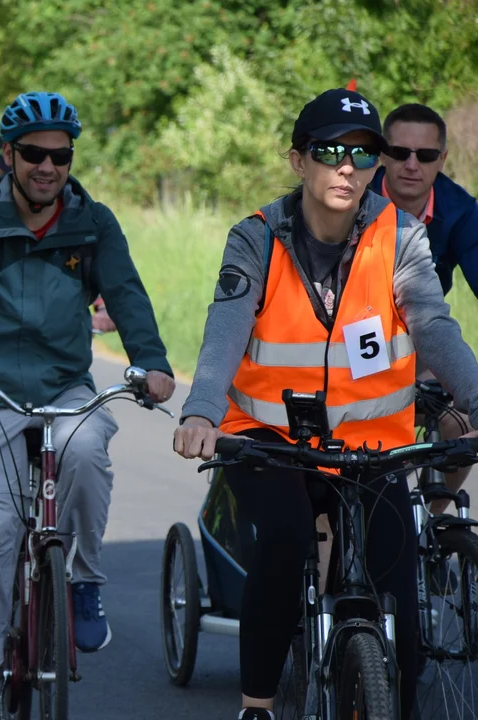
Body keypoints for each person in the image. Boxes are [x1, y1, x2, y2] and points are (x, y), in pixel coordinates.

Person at [172, 88, 478, 720]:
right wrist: (200, 411)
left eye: (365, 154)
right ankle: (257, 705)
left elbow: (433, 325)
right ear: (298, 161)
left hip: (371, 443)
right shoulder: (256, 237)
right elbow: (225, 328)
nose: (348, 166)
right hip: (266, 438)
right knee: (285, 543)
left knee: (399, 583)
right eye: (331, 151)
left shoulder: (398, 235)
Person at [0, 91, 175, 717]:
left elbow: (127, 296)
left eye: (60, 155)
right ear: (9, 156)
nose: (48, 167)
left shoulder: (93, 221)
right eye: (33, 155)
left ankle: (81, 581)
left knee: (87, 452)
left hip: (65, 387)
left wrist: (154, 363)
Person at [372, 102, 478, 509]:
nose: (411, 164)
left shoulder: (462, 211)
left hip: (419, 342)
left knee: (464, 418)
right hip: (349, 345)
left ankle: (428, 527)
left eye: (426, 155)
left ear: (442, 159)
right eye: (399, 153)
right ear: (383, 154)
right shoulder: (351, 197)